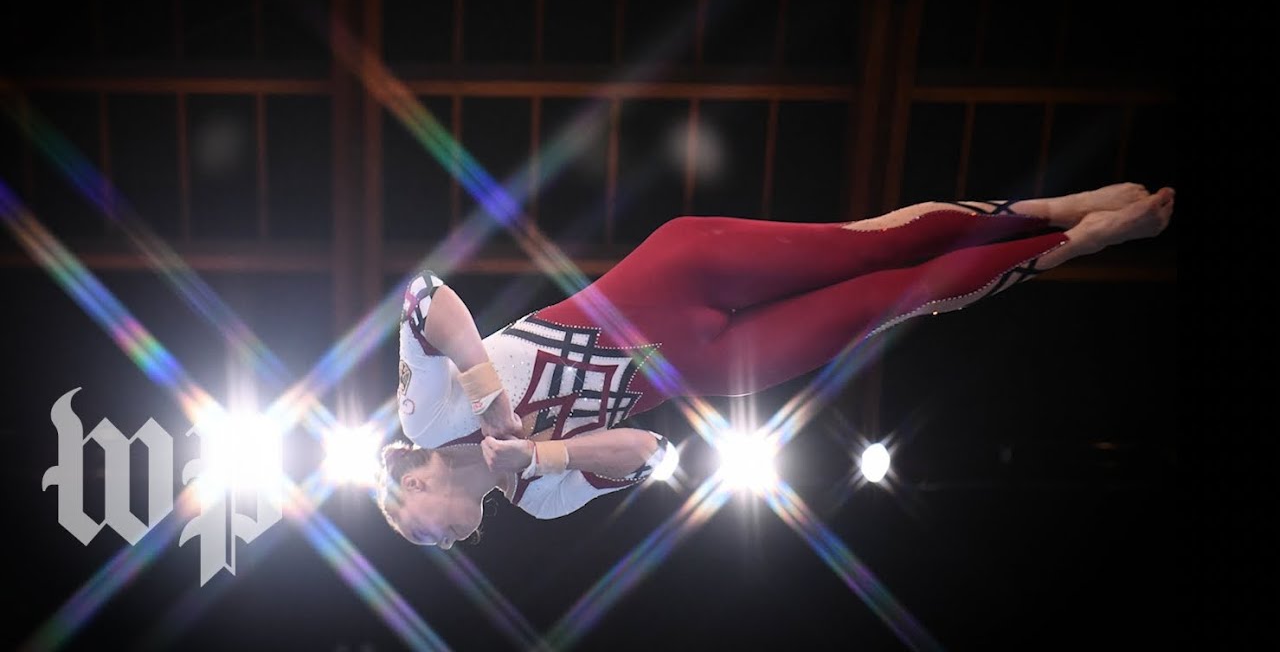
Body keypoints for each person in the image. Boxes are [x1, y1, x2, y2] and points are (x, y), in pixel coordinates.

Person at [377, 183, 1175, 548]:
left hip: (676, 271)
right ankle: (1080, 241)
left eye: (418, 535)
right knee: (894, 299)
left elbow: (424, 297)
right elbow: (650, 452)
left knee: (872, 247)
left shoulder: (428, 417)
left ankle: (1049, 207)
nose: (440, 545)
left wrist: (490, 402)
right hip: (715, 366)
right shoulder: (537, 501)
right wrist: (537, 456)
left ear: (415, 484)